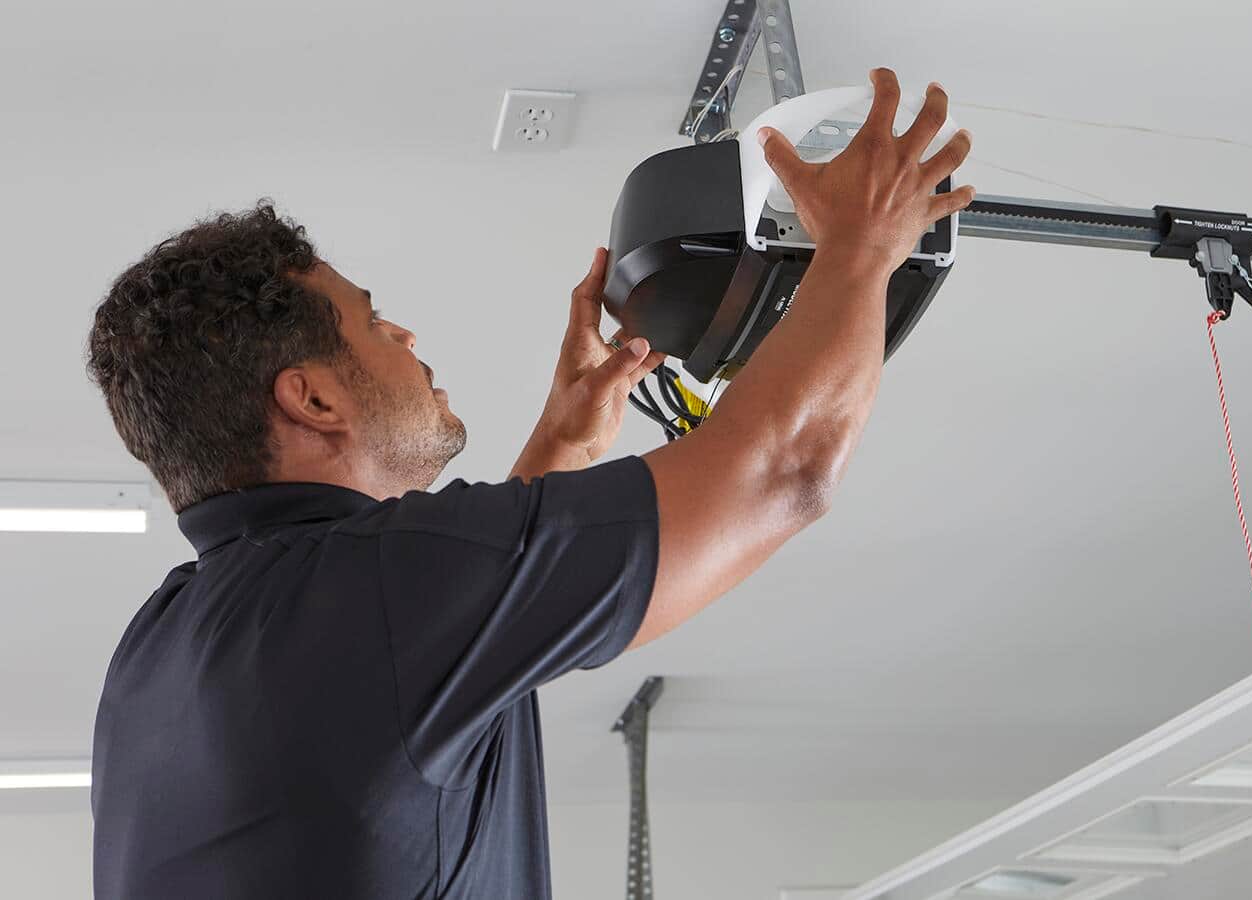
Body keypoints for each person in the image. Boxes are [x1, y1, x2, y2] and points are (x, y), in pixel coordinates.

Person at [84, 67, 974, 899]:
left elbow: (432, 663)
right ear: (314, 398)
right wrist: (860, 247)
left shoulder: (159, 648)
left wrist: (561, 441)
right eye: (371, 321)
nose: (403, 334)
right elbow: (785, 472)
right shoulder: (377, 590)